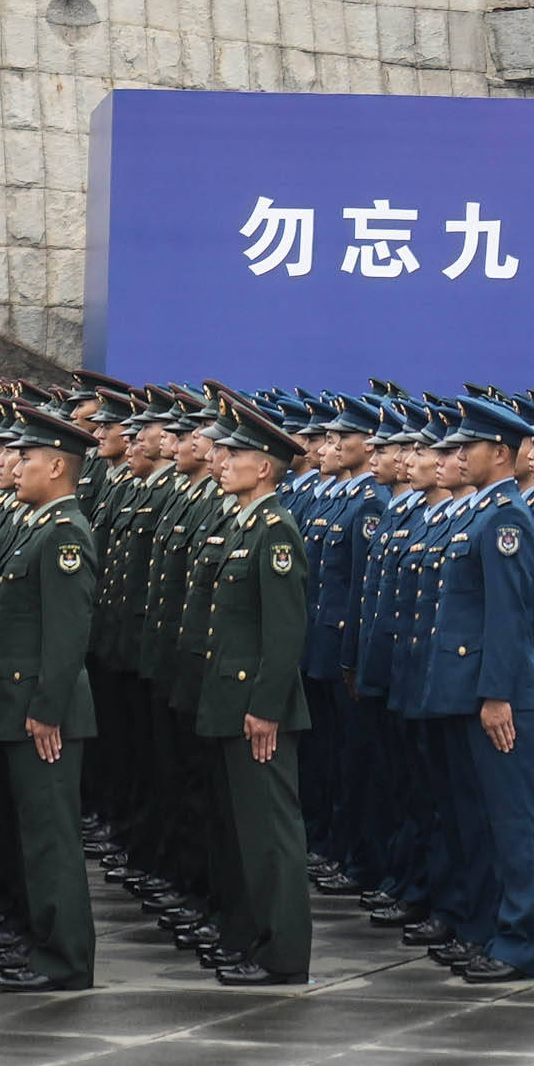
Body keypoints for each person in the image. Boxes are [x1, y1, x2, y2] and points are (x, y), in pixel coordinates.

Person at [192, 398, 316, 987]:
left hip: (258, 708)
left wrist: (264, 707)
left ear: (265, 467)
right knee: (243, 836)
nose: (222, 461)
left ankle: (283, 954)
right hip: (230, 703)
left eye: (235, 453)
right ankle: (250, 940)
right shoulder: (241, 524)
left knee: (271, 837)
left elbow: (285, 631)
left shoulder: (276, 531)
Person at [0, 405, 102, 992]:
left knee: (52, 839)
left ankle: (66, 960)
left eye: (26, 458)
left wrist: (47, 707)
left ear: (57, 466)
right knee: (36, 835)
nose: (16, 465)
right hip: (27, 707)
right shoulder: (41, 526)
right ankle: (45, 947)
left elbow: (68, 633)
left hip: (44, 714)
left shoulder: (65, 534)